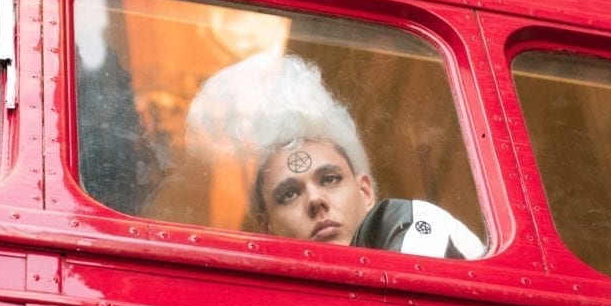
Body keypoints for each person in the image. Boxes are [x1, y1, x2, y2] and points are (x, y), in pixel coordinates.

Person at [186, 52, 485, 260]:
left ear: (365, 191)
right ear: (267, 227)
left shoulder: (411, 223)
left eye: (329, 179)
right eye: (289, 194)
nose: (316, 201)